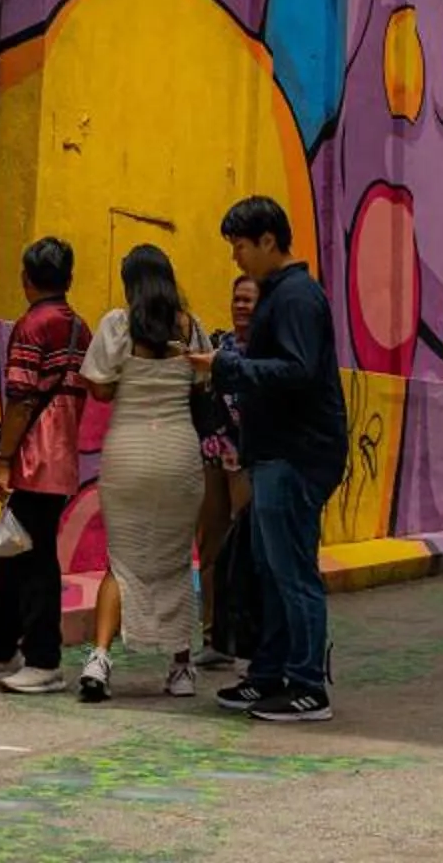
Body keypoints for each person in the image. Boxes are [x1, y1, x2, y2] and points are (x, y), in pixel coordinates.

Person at [206, 195, 347, 724]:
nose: (236, 257)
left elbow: (297, 370)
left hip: (295, 455)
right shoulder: (281, 294)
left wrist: (227, 367)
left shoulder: (296, 297)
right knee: (269, 570)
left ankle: (307, 685)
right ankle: (269, 673)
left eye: (241, 246)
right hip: (275, 454)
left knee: (292, 572)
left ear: (268, 241)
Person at [0, 237, 88, 694]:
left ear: (26, 278)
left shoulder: (32, 326)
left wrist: (4, 460)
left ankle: (43, 658)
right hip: (62, 455)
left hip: (33, 457)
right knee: (10, 552)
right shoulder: (78, 327)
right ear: (68, 279)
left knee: (33, 560)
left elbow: (22, 399)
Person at [75, 244, 211, 700]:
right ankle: (181, 668)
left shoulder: (118, 324)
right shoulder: (190, 328)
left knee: (122, 560)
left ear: (131, 283)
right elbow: (202, 382)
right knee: (176, 558)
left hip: (128, 451)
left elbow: (99, 388)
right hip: (178, 452)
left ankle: (99, 659)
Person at [196, 273, 261, 667]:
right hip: (212, 458)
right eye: (237, 299)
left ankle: (251, 637)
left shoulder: (268, 353)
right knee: (210, 548)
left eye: (249, 300)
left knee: (249, 550)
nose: (241, 306)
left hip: (247, 463)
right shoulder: (217, 346)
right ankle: (214, 637)